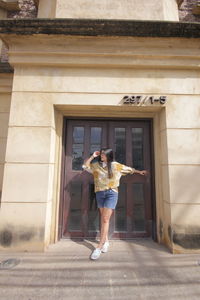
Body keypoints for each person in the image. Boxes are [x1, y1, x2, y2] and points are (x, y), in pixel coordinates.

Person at [82, 148, 147, 260]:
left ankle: (99, 246)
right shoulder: (96, 165)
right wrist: (92, 156)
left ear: (109, 156)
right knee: (103, 218)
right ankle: (106, 241)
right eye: (101, 154)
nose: (101, 156)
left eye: (103, 155)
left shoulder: (116, 166)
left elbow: (129, 169)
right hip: (99, 193)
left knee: (105, 219)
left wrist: (139, 172)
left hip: (111, 193)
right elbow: (85, 166)